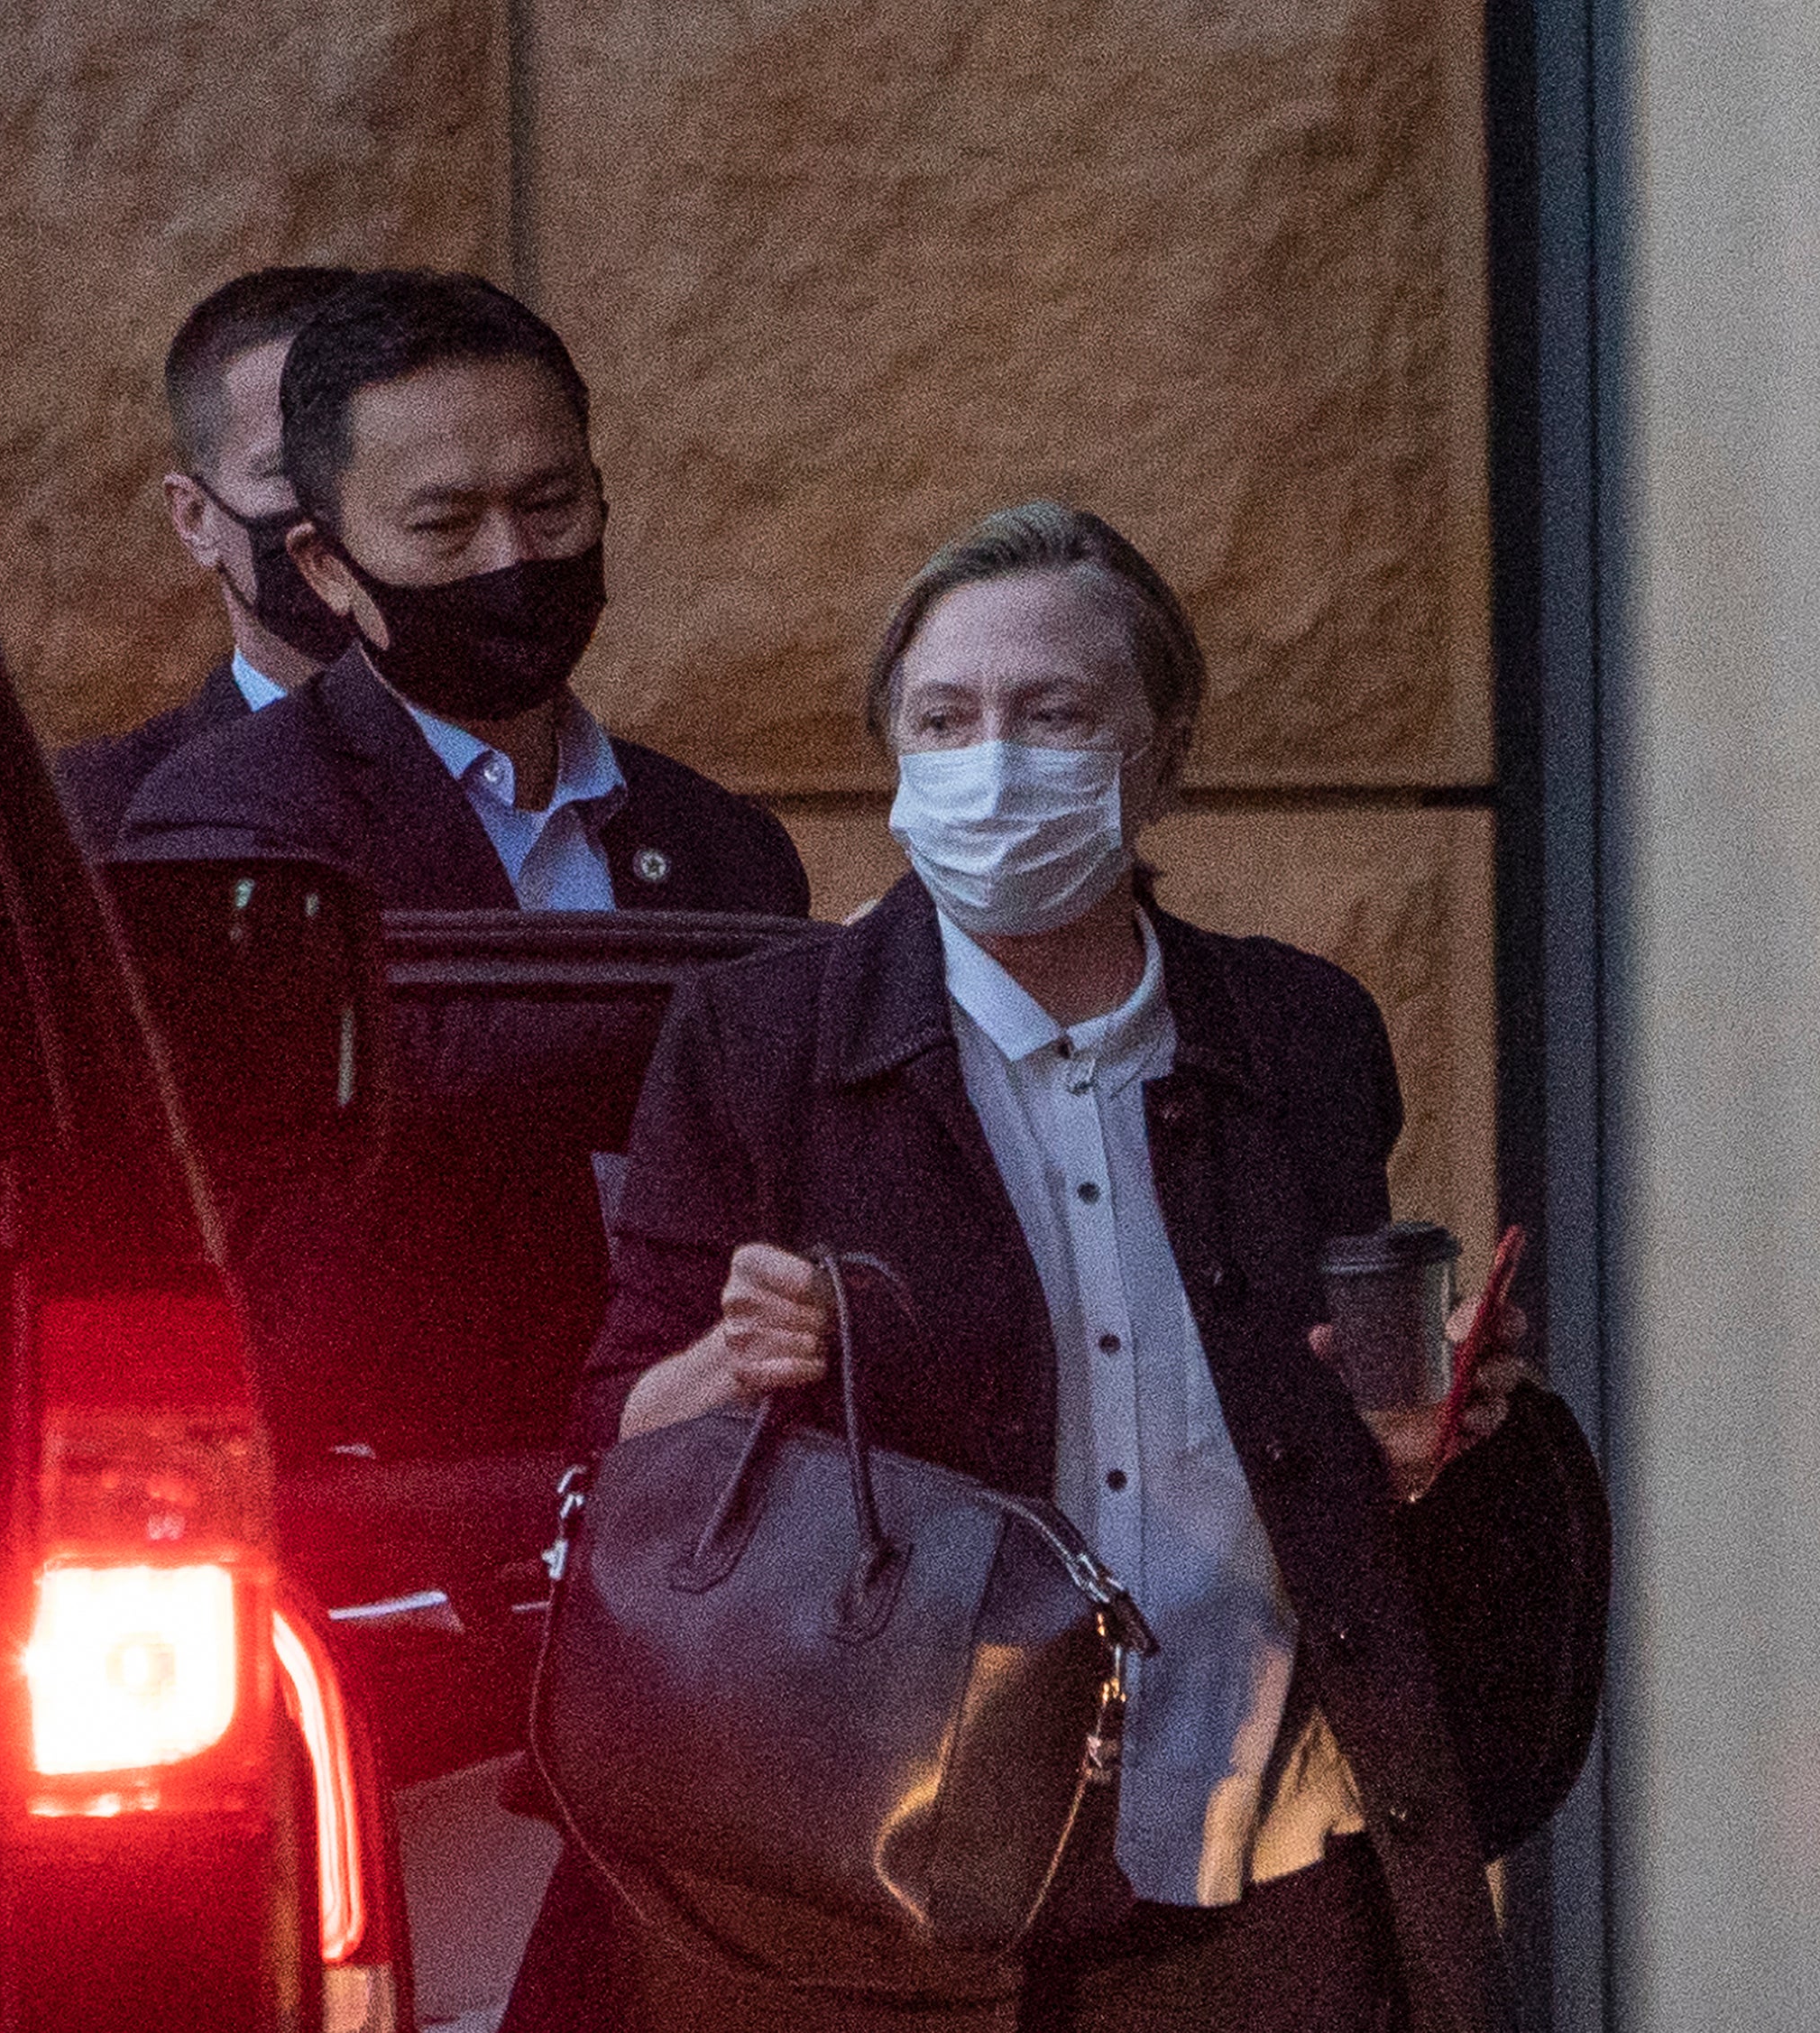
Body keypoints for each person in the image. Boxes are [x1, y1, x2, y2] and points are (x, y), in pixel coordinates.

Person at [515, 502, 1603, 2033]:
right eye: (944, 718)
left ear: (1156, 751)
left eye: (1055, 712)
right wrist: (733, 1362)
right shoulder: (764, 1039)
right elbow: (616, 1446)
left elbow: (1323, 1416)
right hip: (880, 1879)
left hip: (1257, 1847)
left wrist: (1421, 1445)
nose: (994, 759)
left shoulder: (1297, 1031)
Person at [115, 269, 808, 919]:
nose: (511, 557)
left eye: (549, 504)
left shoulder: (729, 852)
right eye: (444, 524)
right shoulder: (232, 830)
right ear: (326, 565)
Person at [53, 265, 360, 849]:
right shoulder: (93, 819)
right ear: (196, 519)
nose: (348, 501)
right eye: (290, 470)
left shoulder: (559, 789)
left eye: (380, 461)